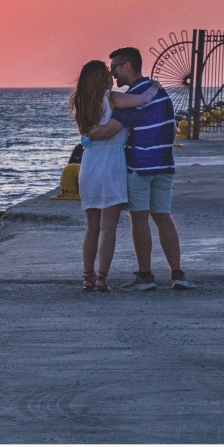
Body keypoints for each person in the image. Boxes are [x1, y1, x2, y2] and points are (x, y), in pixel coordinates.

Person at [95, 47, 196, 291]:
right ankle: (177, 274)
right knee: (164, 218)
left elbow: (111, 130)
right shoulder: (160, 93)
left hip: (140, 166)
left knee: (139, 219)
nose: (113, 74)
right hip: (164, 164)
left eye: (115, 67)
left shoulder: (134, 97)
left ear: (127, 66)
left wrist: (88, 134)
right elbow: (172, 130)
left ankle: (145, 276)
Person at [70, 60, 159, 292]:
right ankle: (102, 278)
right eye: (108, 73)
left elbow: (87, 134)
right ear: (102, 78)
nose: (111, 76)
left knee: (91, 226)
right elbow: (142, 100)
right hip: (111, 164)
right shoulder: (112, 97)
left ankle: (87, 278)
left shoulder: (82, 101)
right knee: (108, 227)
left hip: (89, 165)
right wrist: (154, 87)